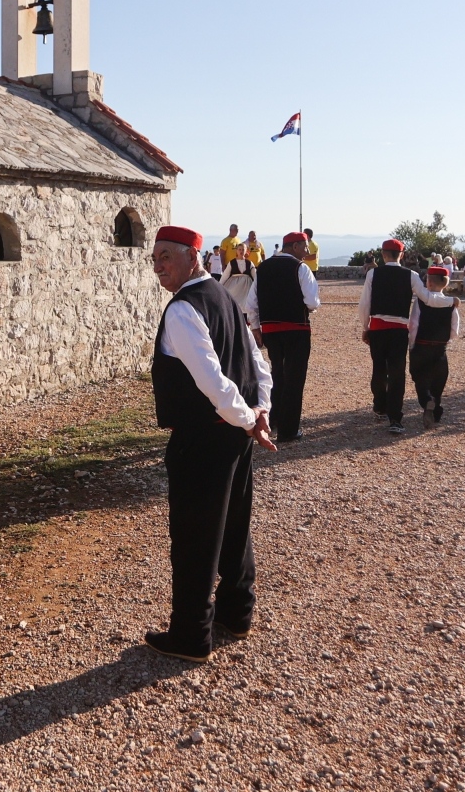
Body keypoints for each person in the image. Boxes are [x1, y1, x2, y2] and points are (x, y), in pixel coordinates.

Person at [146, 225, 275, 663]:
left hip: (203, 438)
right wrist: (259, 412)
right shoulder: (225, 298)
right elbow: (256, 362)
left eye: (167, 256)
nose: (159, 265)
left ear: (193, 257)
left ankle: (191, 634)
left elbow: (214, 383)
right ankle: (237, 612)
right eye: (155, 258)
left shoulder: (184, 310)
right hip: (235, 436)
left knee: (195, 535)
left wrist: (249, 417)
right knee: (233, 526)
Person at [245, 232, 322, 443]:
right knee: (295, 378)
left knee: (277, 373)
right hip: (296, 329)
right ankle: (289, 429)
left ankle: (275, 417)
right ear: (295, 246)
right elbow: (312, 302)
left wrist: (256, 328)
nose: (307, 251)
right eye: (305, 247)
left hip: (271, 330)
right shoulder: (301, 268)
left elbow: (251, 303)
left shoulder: (263, 268)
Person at [357, 238, 434, 434]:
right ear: (402, 255)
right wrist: (447, 300)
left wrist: (365, 327)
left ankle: (380, 406)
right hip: (399, 330)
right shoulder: (411, 275)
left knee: (379, 369)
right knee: (397, 372)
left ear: (383, 254)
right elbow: (426, 298)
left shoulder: (373, 274)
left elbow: (364, 304)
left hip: (378, 328)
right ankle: (395, 418)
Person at [408, 266, 462, 428]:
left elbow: (414, 324)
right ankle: (436, 411)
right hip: (440, 349)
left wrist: (412, 345)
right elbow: (455, 329)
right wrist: (445, 340)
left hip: (421, 346)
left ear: (429, 282)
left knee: (420, 378)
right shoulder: (451, 304)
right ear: (444, 284)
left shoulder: (420, 302)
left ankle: (427, 401)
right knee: (438, 381)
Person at [221, 242, 256, 314]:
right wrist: (219, 286)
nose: (241, 251)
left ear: (246, 251)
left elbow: (255, 276)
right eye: (239, 249)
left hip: (246, 288)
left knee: (246, 305)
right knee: (233, 304)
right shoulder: (232, 263)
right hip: (234, 287)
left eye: (243, 249)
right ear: (236, 251)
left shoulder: (249, 263)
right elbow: (225, 276)